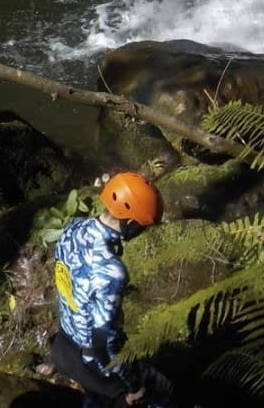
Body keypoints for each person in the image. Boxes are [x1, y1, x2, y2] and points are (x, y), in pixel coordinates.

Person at [50, 172, 175, 408]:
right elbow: (103, 343)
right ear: (130, 224)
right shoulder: (111, 272)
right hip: (93, 361)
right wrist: (131, 386)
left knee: (96, 398)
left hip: (64, 345)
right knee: (162, 391)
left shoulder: (72, 228)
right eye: (143, 227)